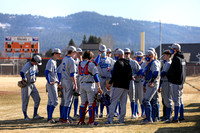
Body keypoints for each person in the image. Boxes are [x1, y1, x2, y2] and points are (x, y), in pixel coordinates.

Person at [105, 49, 133, 124]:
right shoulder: (128, 63)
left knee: (113, 102)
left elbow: (115, 75)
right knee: (123, 103)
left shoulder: (118, 63)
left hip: (118, 85)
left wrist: (110, 83)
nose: (115, 56)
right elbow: (130, 76)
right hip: (126, 86)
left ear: (120, 55)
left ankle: (110, 119)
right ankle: (121, 120)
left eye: (116, 55)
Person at [77, 50, 102, 125]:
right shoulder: (91, 64)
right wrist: (99, 87)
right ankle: (91, 121)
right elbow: (96, 76)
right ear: (90, 57)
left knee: (83, 104)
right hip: (89, 85)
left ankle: (81, 121)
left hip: (82, 85)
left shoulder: (80, 63)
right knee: (91, 103)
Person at [20, 54, 44, 121]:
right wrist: (24, 78)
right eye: (37, 62)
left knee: (37, 99)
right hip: (26, 85)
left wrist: (35, 77)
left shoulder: (35, 66)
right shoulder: (28, 65)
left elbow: (36, 72)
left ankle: (35, 115)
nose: (37, 64)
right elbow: (22, 72)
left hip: (32, 84)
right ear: (34, 61)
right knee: (25, 101)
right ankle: (25, 116)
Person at [167, 43, 186, 123]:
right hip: (181, 82)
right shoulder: (183, 59)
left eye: (172, 49)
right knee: (180, 99)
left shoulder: (176, 58)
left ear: (175, 50)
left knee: (176, 100)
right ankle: (181, 116)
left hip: (176, 81)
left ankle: (175, 118)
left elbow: (172, 70)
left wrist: (167, 74)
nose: (171, 50)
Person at [60, 46, 78, 124]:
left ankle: (62, 118)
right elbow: (72, 74)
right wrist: (75, 84)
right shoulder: (71, 60)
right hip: (69, 81)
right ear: (73, 52)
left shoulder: (64, 59)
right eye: (75, 52)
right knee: (68, 100)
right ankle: (65, 118)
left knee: (65, 100)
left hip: (64, 80)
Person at [142, 50, 160, 124]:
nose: (147, 57)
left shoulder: (154, 62)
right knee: (152, 101)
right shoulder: (149, 63)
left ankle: (149, 119)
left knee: (146, 101)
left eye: (148, 56)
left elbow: (156, 73)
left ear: (152, 56)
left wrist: (152, 81)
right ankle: (153, 118)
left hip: (153, 84)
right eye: (146, 56)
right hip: (149, 83)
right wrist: (144, 84)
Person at [98, 44, 115, 118]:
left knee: (108, 97)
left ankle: (108, 112)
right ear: (99, 52)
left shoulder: (110, 60)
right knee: (100, 96)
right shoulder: (98, 59)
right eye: (101, 51)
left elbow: (114, 69)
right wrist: (98, 56)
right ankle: (100, 112)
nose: (103, 53)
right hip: (101, 78)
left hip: (108, 79)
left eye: (104, 51)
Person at [45, 48, 61, 123]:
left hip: (53, 82)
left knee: (50, 101)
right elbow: (46, 72)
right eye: (58, 54)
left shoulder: (54, 61)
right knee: (55, 101)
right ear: (54, 54)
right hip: (51, 83)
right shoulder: (51, 61)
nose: (59, 55)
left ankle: (49, 118)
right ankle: (50, 118)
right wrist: (49, 81)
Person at [124, 48, 140, 119]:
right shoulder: (121, 62)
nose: (126, 55)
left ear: (130, 54)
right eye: (125, 53)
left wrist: (135, 76)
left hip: (131, 81)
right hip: (123, 82)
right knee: (122, 99)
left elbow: (140, 70)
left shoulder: (134, 62)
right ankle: (122, 114)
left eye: (128, 53)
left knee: (132, 98)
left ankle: (133, 113)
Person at [158, 50, 173, 122]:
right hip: (164, 82)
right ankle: (166, 115)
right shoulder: (166, 63)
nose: (163, 57)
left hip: (167, 82)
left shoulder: (168, 63)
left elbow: (163, 73)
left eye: (165, 55)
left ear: (169, 56)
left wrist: (158, 73)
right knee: (164, 99)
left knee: (167, 99)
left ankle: (168, 116)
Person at [134, 51, 146, 118]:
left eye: (140, 57)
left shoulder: (144, 64)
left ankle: (143, 112)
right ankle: (135, 112)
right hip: (135, 82)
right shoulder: (133, 63)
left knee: (142, 99)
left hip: (141, 82)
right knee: (135, 98)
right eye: (137, 57)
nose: (139, 58)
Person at [73, 48, 83, 118]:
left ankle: (79, 112)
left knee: (81, 96)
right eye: (78, 53)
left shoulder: (81, 61)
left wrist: (81, 60)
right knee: (74, 97)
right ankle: (75, 112)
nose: (80, 54)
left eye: (81, 53)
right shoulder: (72, 60)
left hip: (80, 79)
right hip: (74, 79)